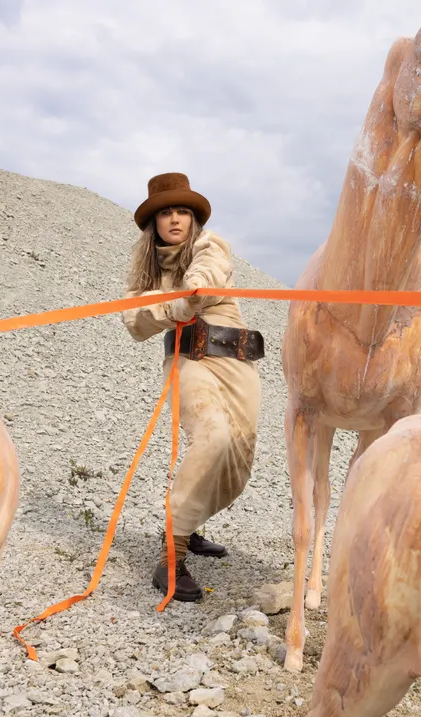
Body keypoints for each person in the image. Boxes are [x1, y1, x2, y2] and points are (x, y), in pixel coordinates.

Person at [121, 172, 265, 602]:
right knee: (212, 437)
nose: (175, 219)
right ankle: (173, 552)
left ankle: (192, 521)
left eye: (182, 210)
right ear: (155, 224)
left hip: (237, 366)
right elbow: (134, 322)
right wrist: (176, 306)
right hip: (188, 361)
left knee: (237, 455)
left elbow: (207, 276)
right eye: (166, 212)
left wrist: (180, 300)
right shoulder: (144, 272)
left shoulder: (210, 246)